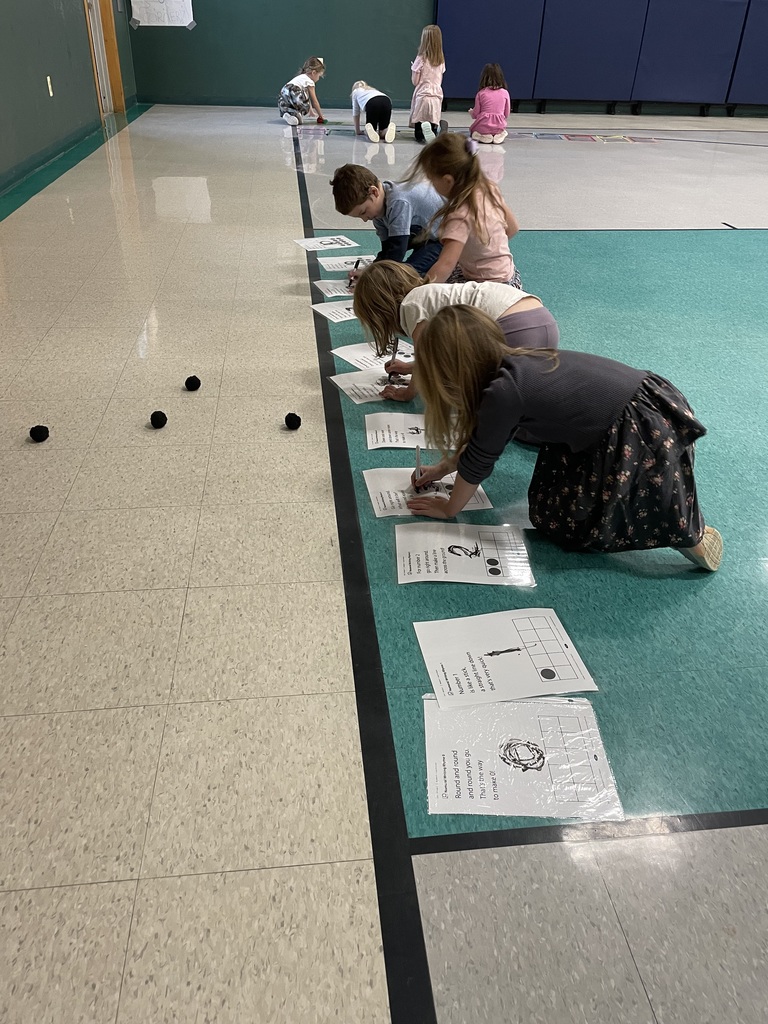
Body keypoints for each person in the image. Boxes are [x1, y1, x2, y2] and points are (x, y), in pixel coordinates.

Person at [406, 306, 722, 572]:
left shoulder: (503, 392)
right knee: (554, 511)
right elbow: (481, 442)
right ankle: (687, 526)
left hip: (634, 426)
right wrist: (442, 469)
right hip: (644, 401)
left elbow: (478, 462)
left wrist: (450, 508)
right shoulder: (512, 363)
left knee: (590, 521)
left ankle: (691, 541)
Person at [352, 260, 558, 403]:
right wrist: (410, 367)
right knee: (525, 392)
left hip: (513, 328)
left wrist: (407, 393)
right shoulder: (429, 294)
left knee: (481, 400)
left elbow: (425, 355)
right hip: (541, 318)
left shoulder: (410, 305)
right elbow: (436, 354)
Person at [406, 133, 522, 287]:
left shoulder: (460, 216)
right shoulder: (489, 188)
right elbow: (513, 228)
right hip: (509, 278)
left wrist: (419, 291)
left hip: (487, 287)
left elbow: (446, 265)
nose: (431, 184)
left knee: (438, 290)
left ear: (447, 180)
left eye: (431, 179)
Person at [330, 165, 444, 280]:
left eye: (363, 212)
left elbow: (397, 250)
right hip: (425, 238)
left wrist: (374, 279)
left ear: (374, 192)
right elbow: (387, 250)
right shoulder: (378, 211)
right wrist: (370, 271)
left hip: (443, 241)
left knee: (405, 275)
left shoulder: (398, 201)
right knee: (395, 271)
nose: (365, 219)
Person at [410, 25, 448, 144]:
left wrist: (413, 71)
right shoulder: (441, 60)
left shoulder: (421, 58)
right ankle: (434, 132)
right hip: (436, 95)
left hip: (423, 94)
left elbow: (415, 81)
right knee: (432, 120)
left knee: (420, 122)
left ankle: (420, 135)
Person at [469, 63, 511, 144]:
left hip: (483, 125)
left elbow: (476, 114)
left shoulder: (481, 93)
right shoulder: (505, 93)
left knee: (473, 130)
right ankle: (499, 135)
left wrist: (471, 112)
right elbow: (506, 114)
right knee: (500, 129)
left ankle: (484, 135)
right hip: (499, 126)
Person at [279, 57, 326, 126]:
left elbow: (306, 97)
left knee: (298, 120)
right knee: (304, 105)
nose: (318, 78)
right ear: (314, 73)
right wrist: (321, 116)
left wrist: (311, 111)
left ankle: (288, 114)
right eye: (319, 76)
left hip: (284, 92)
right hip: (294, 91)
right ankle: (296, 114)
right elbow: (314, 101)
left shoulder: (301, 77)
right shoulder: (309, 81)